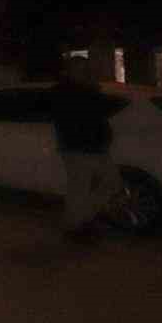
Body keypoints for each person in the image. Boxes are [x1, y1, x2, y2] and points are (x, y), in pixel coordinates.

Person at [51, 55, 120, 240]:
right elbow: (73, 117)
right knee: (79, 188)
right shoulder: (65, 91)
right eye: (79, 68)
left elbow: (100, 114)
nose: (83, 71)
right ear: (71, 70)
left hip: (96, 146)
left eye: (85, 68)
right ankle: (75, 226)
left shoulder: (89, 89)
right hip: (77, 147)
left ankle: (81, 220)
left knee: (111, 182)